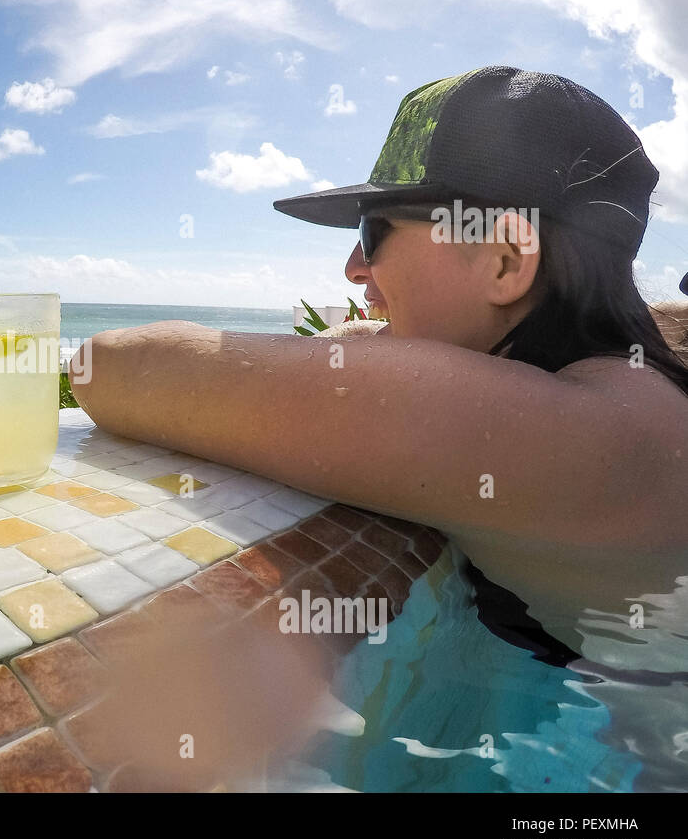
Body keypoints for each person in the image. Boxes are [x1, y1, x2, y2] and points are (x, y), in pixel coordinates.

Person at [71, 66, 688, 632]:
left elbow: (110, 366)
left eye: (375, 232)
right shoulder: (631, 385)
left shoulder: (582, 435)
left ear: (505, 259)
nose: (352, 268)